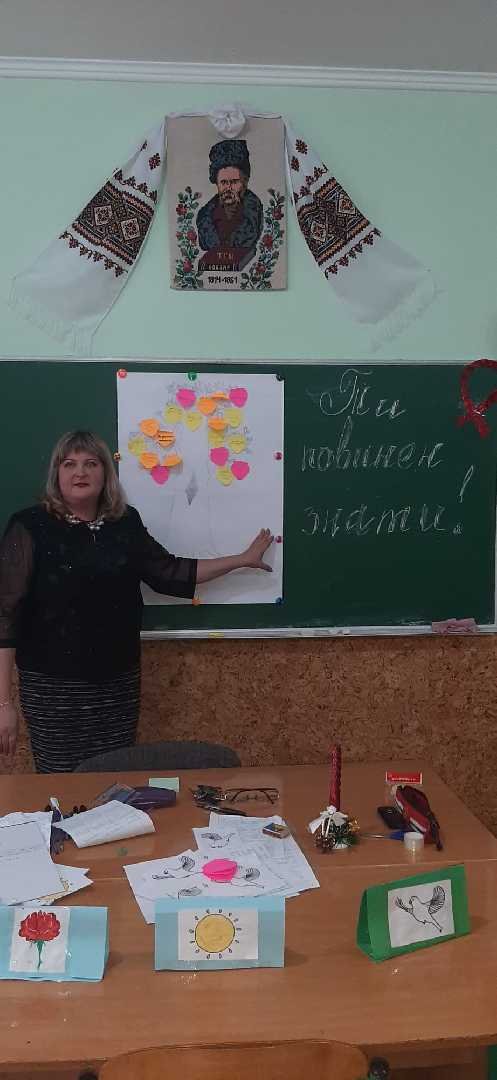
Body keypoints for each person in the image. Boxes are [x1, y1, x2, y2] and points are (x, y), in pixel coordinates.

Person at [0, 430, 273, 772]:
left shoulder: (125, 522)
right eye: (69, 464)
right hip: (53, 688)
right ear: (57, 473)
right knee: (62, 782)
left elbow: (169, 572)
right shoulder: (29, 526)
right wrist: (4, 704)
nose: (80, 472)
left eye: (91, 463)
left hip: (117, 683)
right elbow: (6, 616)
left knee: (114, 783)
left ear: (105, 473)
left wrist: (241, 559)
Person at [196, 140, 263, 270]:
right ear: (217, 183)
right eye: (223, 182)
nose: (228, 188)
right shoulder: (204, 216)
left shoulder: (254, 214)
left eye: (234, 182)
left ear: (245, 182)